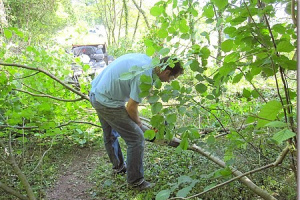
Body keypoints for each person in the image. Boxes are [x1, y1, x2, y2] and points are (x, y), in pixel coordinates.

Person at [89, 53, 184, 190]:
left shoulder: (147, 62)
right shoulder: (144, 77)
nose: (169, 81)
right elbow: (131, 108)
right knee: (136, 138)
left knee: (110, 134)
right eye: (171, 78)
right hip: (106, 101)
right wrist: (138, 124)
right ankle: (136, 181)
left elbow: (149, 94)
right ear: (166, 71)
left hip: (96, 92)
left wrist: (158, 120)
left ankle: (119, 167)